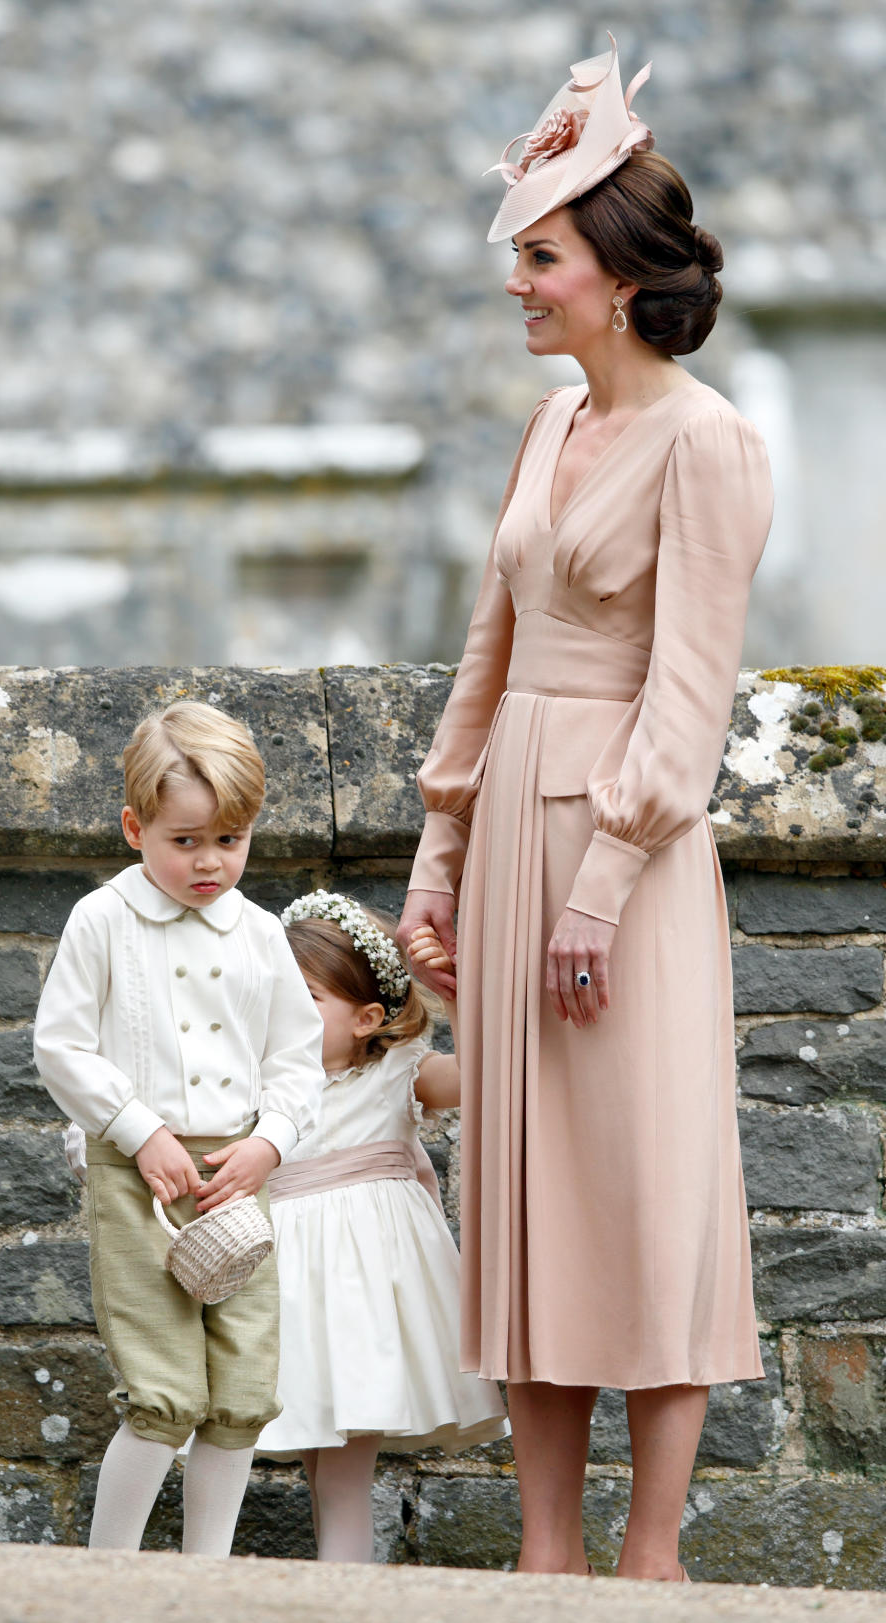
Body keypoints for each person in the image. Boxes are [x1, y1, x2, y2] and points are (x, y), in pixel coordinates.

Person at [396, 35, 773, 1583]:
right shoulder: (548, 431)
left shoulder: (711, 443)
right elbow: (487, 662)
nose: (517, 283)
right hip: (507, 861)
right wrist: (439, 861)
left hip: (625, 865)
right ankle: (544, 1560)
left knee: (643, 1184)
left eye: (537, 256)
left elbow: (688, 700)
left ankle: (650, 1556)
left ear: (615, 275)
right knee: (530, 1204)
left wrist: (599, 889)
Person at [34, 700, 325, 1556]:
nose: (209, 862)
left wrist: (270, 1140)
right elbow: (60, 1044)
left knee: (239, 1390)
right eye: (185, 840)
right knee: (165, 1392)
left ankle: (206, 1579)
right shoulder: (103, 921)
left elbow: (298, 1060)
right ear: (135, 826)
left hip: (240, 1177)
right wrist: (138, 1129)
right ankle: (107, 1576)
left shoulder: (265, 935)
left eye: (229, 840)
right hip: (142, 1177)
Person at [254, 892, 508, 1562]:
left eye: (304, 996)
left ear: (367, 1017)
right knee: (318, 1451)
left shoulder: (399, 1072)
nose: (281, 1011)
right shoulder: (259, 1084)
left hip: (363, 1287)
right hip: (286, 1285)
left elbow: (485, 1074)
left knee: (343, 1458)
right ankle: (338, 1577)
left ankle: (345, 1581)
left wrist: (454, 987)